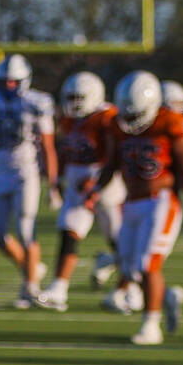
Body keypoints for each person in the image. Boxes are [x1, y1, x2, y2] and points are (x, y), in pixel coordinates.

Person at [87, 70, 183, 345]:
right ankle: (167, 297)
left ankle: (151, 326)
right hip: (130, 202)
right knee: (129, 271)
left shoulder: (171, 123)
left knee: (147, 264)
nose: (130, 121)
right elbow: (112, 164)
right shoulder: (118, 125)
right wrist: (94, 191)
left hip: (160, 201)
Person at [35, 71, 126, 312]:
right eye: (71, 97)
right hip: (77, 183)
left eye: (79, 97)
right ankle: (59, 288)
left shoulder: (108, 118)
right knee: (68, 232)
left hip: (108, 185)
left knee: (123, 243)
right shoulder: (69, 119)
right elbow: (66, 150)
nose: (74, 103)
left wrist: (96, 183)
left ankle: (129, 287)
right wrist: (62, 178)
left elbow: (115, 155)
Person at [0, 53, 58, 307]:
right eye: (4, 81)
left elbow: (47, 146)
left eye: (13, 81)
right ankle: (32, 267)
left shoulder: (37, 102)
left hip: (26, 174)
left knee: (25, 229)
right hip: (1, 175)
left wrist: (53, 183)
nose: (8, 86)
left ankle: (30, 287)